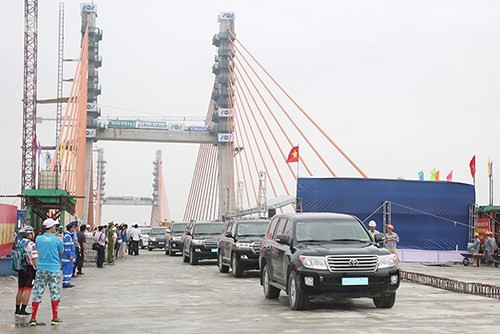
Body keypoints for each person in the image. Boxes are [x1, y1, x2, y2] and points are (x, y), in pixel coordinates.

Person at [29, 218, 64, 326]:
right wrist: (59, 239)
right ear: (52, 227)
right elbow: (61, 252)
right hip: (54, 269)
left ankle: (33, 318)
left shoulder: (38, 238)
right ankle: (55, 318)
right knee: (55, 293)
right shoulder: (57, 240)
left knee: (38, 292)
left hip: (41, 268)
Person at [14, 226, 38, 316]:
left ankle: (17, 310)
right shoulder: (31, 244)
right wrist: (38, 269)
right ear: (29, 234)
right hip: (29, 269)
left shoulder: (19, 243)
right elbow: (34, 258)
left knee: (20, 289)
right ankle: (23, 310)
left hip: (21, 268)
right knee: (27, 290)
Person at [62, 221, 77, 288]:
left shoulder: (69, 236)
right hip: (67, 258)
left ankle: (67, 281)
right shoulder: (68, 236)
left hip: (68, 257)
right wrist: (70, 255)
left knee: (69, 270)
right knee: (67, 270)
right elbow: (67, 247)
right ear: (71, 228)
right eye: (74, 228)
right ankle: (66, 282)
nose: (74, 229)